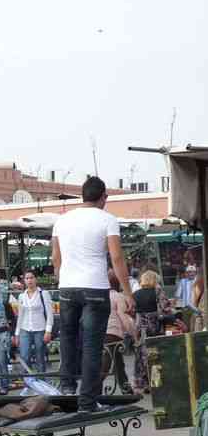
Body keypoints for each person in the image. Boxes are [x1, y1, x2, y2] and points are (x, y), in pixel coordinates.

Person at [52, 176, 134, 412]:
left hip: (67, 287)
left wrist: (63, 279)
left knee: (67, 339)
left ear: (83, 196)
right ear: (103, 197)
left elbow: (56, 258)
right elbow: (116, 257)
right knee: (92, 345)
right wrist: (127, 292)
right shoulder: (108, 220)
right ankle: (87, 402)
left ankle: (67, 389)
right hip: (95, 288)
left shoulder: (62, 220)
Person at [133, 270, 171, 394]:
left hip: (140, 329)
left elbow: (133, 312)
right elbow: (165, 308)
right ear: (154, 280)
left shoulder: (135, 294)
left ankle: (141, 384)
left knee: (141, 356)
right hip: (155, 327)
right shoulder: (157, 291)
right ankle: (155, 383)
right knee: (155, 355)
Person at [14, 270, 54, 374]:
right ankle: (27, 379)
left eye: (31, 278)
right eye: (27, 278)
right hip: (25, 329)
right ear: (24, 281)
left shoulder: (43, 294)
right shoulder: (22, 296)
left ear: (35, 279)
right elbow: (20, 316)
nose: (29, 280)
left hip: (40, 329)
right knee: (24, 355)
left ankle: (41, 379)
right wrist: (17, 334)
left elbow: (50, 313)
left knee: (40, 356)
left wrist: (48, 331)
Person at [103, 271, 135, 394]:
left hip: (99, 332)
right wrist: (133, 333)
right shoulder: (118, 296)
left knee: (117, 362)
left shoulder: (101, 296)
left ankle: (126, 388)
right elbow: (123, 316)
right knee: (109, 364)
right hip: (113, 333)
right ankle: (94, 388)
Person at [175, 265, 198, 329]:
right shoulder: (182, 281)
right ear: (186, 273)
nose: (191, 273)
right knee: (187, 326)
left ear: (195, 273)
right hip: (186, 307)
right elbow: (178, 294)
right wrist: (176, 304)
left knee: (196, 325)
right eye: (189, 272)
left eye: (193, 272)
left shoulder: (198, 281)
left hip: (196, 306)